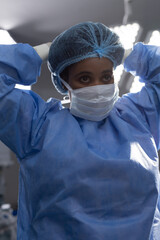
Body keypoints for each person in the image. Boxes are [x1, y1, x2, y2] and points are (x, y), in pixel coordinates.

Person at [0, 21, 159, 240]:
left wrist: (124, 54)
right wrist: (48, 48)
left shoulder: (138, 118)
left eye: (106, 76)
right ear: (64, 83)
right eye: (85, 78)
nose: (98, 86)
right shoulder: (36, 127)